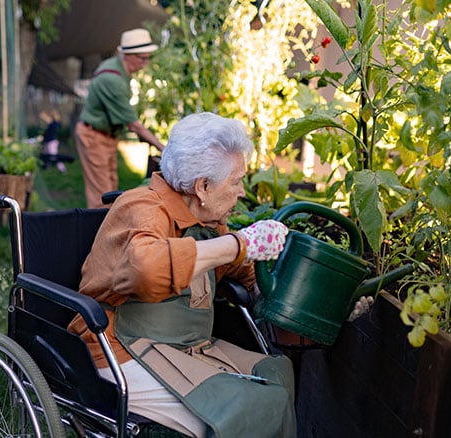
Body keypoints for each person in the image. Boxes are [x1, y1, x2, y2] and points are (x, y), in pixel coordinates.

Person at [68, 112, 296, 437]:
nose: (242, 192)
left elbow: (242, 271)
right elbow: (147, 267)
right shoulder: (142, 208)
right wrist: (237, 244)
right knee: (247, 408)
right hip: (121, 346)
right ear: (203, 186)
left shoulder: (205, 219)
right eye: (236, 181)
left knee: (276, 373)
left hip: (185, 344)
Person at [75, 28, 165, 208]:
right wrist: (164, 149)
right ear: (128, 55)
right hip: (94, 137)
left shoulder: (116, 67)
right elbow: (135, 126)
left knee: (110, 189)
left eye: (148, 58)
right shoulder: (113, 80)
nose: (146, 63)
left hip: (105, 135)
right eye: (142, 58)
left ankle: (106, 230)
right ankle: (97, 233)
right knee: (102, 197)